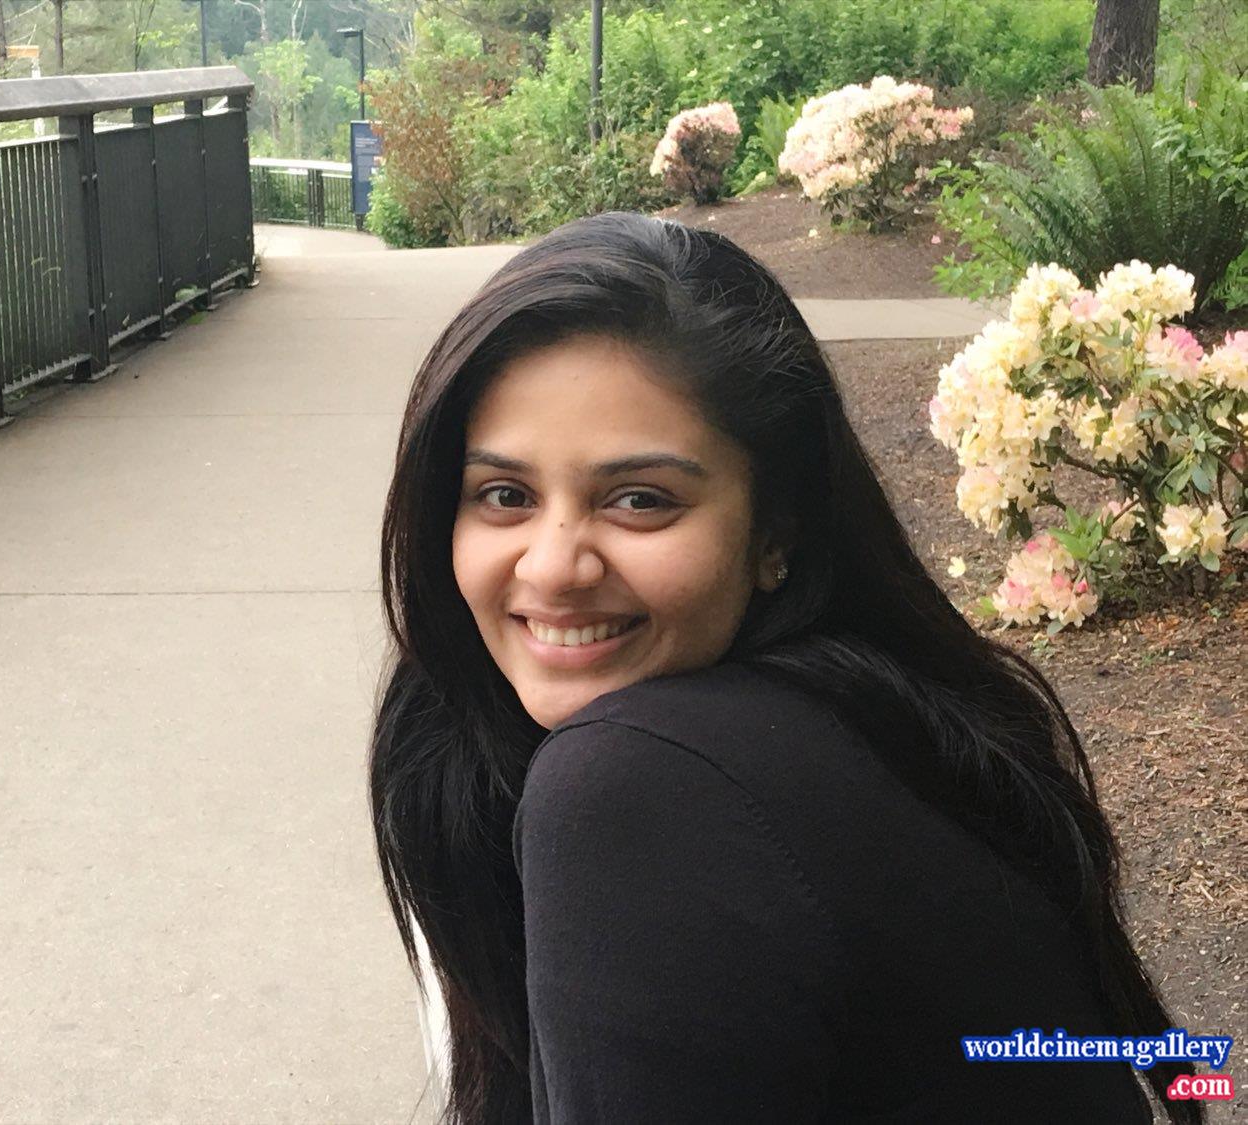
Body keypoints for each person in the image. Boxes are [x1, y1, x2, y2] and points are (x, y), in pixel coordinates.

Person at [368, 212, 1201, 1124]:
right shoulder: (869, 725)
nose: (554, 565)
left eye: (640, 500)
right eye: (505, 495)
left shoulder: (644, 791)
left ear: (776, 531)